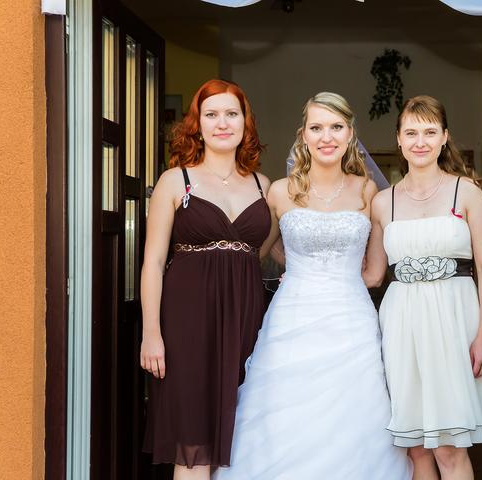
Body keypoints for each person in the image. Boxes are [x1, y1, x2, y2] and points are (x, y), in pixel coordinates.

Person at [213, 92, 412, 479]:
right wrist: (299, 267)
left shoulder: (368, 191)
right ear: (303, 134)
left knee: (353, 417)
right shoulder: (279, 191)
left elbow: (375, 273)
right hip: (292, 320)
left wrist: (333, 279)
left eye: (336, 127)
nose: (327, 137)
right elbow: (256, 253)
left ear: (350, 133)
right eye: (317, 127)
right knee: (286, 416)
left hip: (351, 325)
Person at [364, 95, 482, 480]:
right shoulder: (382, 203)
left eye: (430, 132)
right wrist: (307, 272)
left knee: (448, 448)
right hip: (402, 326)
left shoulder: (467, 192)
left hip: (455, 323)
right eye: (411, 132)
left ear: (444, 137)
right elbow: (373, 275)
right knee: (416, 449)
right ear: (398, 139)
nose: (420, 141)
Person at [140, 79, 276, 479]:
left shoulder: (264, 186)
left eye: (232, 114)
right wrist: (151, 333)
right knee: (194, 445)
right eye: (212, 114)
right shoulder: (175, 181)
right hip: (188, 323)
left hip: (246, 321)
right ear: (197, 124)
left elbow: (266, 252)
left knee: (241, 435)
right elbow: (153, 262)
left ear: (245, 122)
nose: (222, 123)